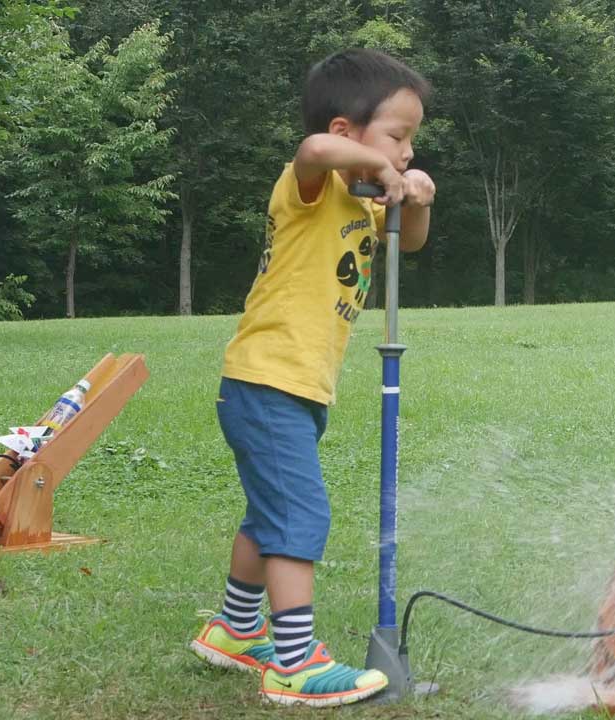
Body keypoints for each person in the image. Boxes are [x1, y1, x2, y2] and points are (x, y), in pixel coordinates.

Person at [188, 48, 435, 707]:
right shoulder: (310, 187)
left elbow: (407, 241)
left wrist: (418, 195)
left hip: (292, 387)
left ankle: (236, 630)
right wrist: (376, 164)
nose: (406, 152)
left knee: (268, 511)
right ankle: (293, 661)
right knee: (299, 512)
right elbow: (313, 150)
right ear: (347, 132)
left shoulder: (363, 202)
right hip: (267, 381)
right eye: (398, 137)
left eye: (413, 140)